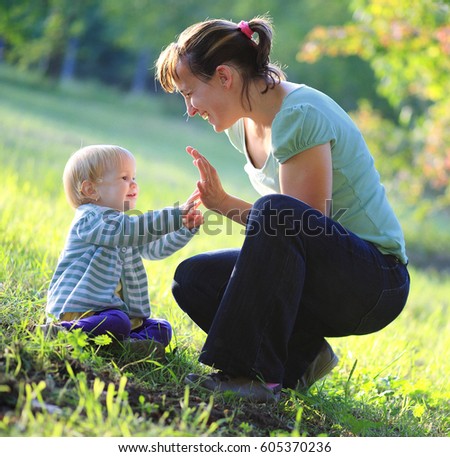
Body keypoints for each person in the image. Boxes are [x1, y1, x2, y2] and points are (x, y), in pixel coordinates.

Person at [155, 16, 410, 401]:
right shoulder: (241, 125)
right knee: (193, 279)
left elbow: (299, 227)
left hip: (375, 281)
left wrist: (228, 205)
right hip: (323, 268)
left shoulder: (298, 113)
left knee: (277, 211)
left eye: (190, 93)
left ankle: (251, 378)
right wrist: (221, 204)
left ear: (224, 77)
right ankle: (302, 356)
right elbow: (284, 238)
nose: (190, 109)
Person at [43, 144, 203, 358]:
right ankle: (63, 332)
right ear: (91, 190)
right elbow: (130, 230)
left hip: (115, 312)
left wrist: (185, 228)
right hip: (82, 309)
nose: (134, 184)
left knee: (161, 328)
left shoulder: (123, 226)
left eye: (134, 177)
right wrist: (175, 215)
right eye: (124, 178)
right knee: (117, 321)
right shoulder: (89, 219)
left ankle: (122, 346)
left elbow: (154, 249)